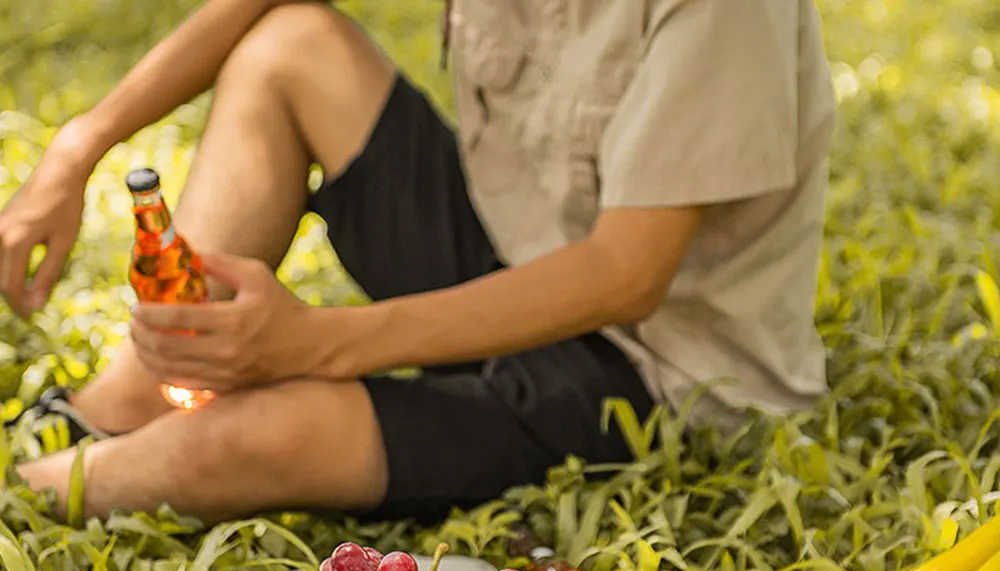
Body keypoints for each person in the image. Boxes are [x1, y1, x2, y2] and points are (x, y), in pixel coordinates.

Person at [0, 0, 836, 525]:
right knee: (295, 44)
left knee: (236, 443)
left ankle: (25, 491)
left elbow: (627, 274)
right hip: (504, 253)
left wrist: (314, 343)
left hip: (649, 374)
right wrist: (79, 146)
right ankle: (116, 405)